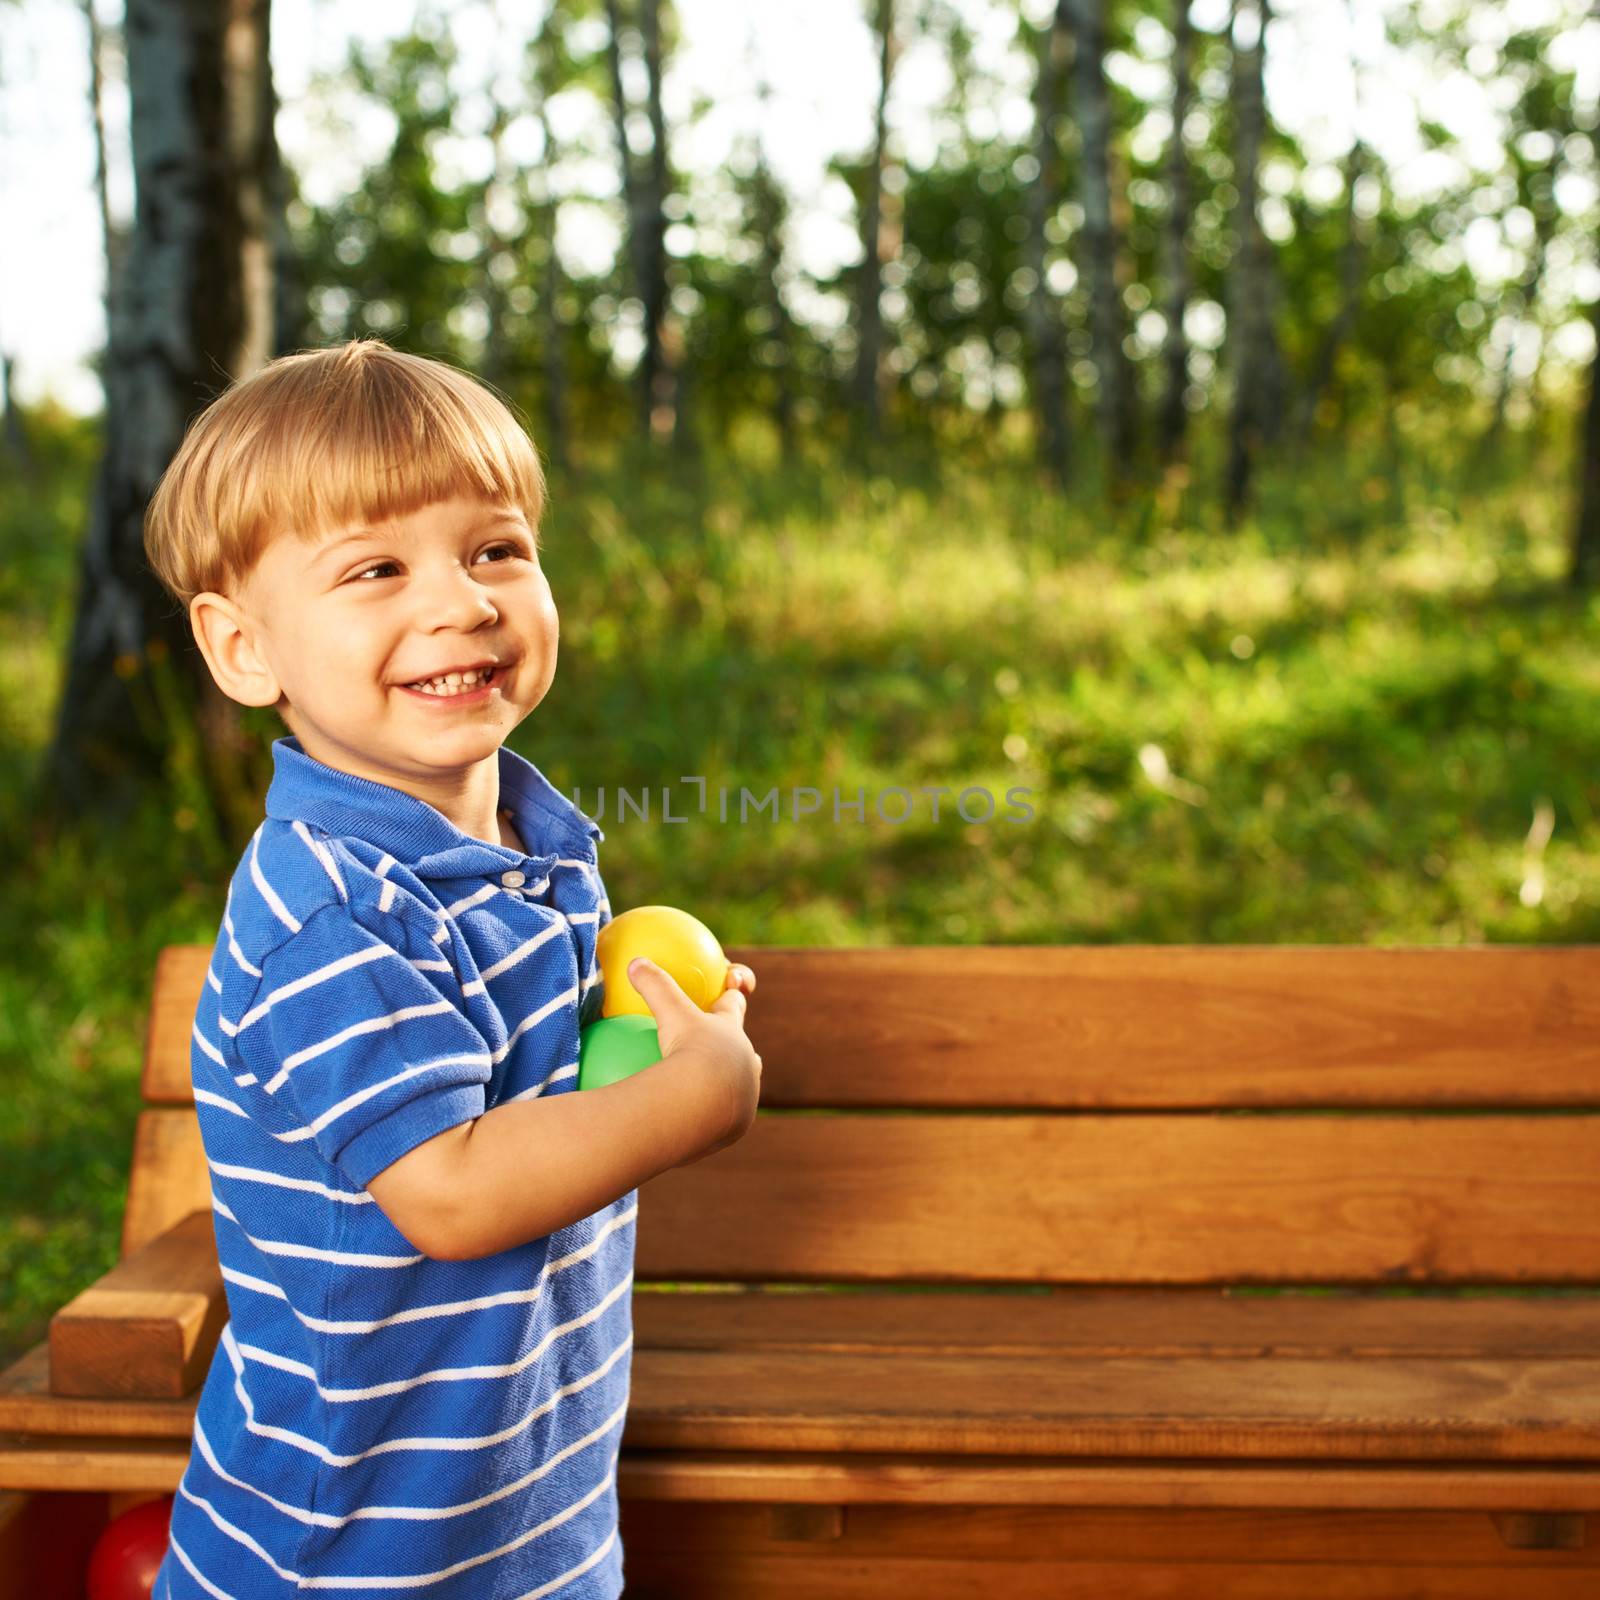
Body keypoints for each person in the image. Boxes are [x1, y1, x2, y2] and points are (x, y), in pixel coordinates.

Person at [139, 338, 763, 1598]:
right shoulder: (327, 914)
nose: (463, 601)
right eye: (376, 568)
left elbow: (538, 1101)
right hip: (356, 1553)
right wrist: (691, 1098)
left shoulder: (530, 849)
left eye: (497, 549)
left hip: (527, 1509)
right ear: (243, 647)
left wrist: (648, 1036)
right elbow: (452, 1193)